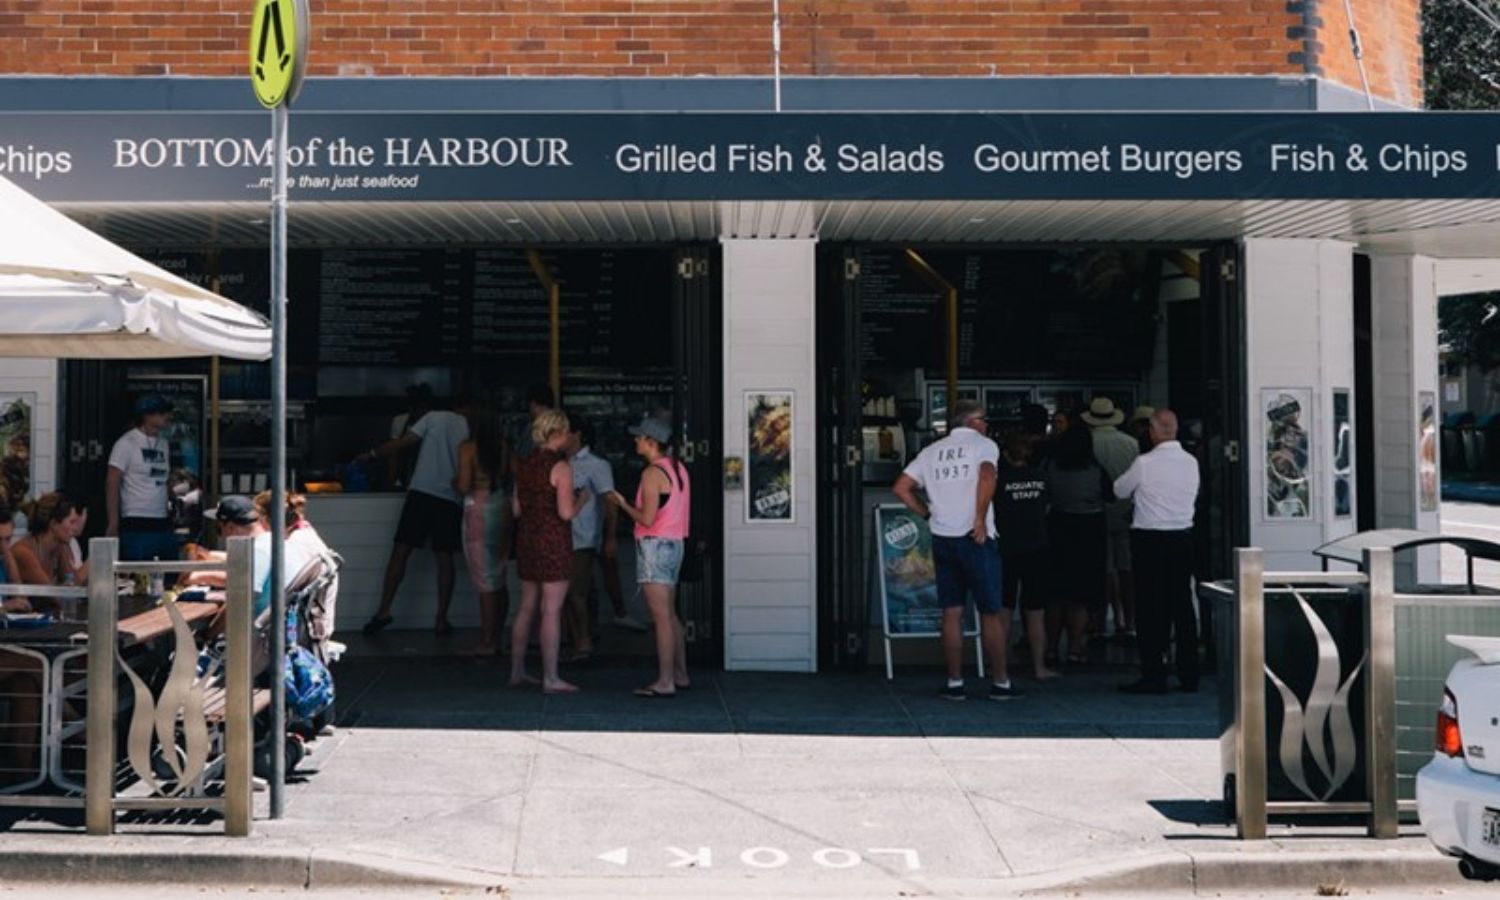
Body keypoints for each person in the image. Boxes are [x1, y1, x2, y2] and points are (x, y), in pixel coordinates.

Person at [892, 400, 1017, 701]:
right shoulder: (983, 445)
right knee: (990, 611)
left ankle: (954, 683)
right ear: (972, 422)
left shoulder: (931, 451)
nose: (987, 424)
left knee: (951, 611)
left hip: (942, 536)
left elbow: (901, 488)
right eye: (984, 419)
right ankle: (1000, 682)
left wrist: (926, 514)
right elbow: (988, 477)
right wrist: (979, 518)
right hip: (975, 537)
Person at [361, 397, 472, 636]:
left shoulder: (431, 418)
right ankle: (441, 619)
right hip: (451, 498)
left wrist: (371, 454)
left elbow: (402, 443)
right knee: (445, 559)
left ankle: (383, 611)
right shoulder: (466, 423)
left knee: (401, 552)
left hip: (422, 491)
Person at [1114, 409, 1202, 694]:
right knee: (1182, 604)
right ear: (1175, 430)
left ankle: (1154, 672)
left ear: (1152, 432)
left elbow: (1119, 490)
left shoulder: (1144, 462)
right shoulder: (1191, 462)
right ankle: (1189, 673)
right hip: (1182, 537)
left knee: (1151, 607)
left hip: (1149, 539)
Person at [607, 415, 693, 698]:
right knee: (671, 615)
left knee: (661, 618)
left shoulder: (652, 474)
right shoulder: (678, 469)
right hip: (675, 544)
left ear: (651, 441)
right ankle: (680, 674)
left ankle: (665, 680)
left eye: (639, 436)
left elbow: (646, 518)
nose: (635, 440)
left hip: (655, 547)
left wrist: (621, 503)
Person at [509, 409, 587, 694]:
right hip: (553, 541)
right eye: (566, 431)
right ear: (557, 433)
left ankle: (517, 671)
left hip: (527, 539)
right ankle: (551, 677)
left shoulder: (524, 464)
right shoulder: (561, 467)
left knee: (527, 606)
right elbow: (565, 513)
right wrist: (583, 500)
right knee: (551, 610)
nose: (568, 436)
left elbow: (516, 509)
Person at [1042, 422, 1110, 667]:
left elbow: (1044, 495)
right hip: (1089, 530)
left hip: (1058, 528)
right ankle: (1075, 647)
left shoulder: (1051, 466)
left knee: (1055, 593)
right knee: (1081, 594)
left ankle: (1050, 647)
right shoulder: (1095, 468)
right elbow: (1111, 494)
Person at [995, 431, 1058, 681]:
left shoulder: (1000, 480)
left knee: (1004, 610)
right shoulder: (1040, 478)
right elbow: (1049, 507)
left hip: (1007, 548)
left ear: (1005, 454)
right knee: (1035, 612)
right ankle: (1039, 667)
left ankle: (999, 667)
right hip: (1037, 548)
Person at [454, 398, 513, 657]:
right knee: (498, 575)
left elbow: (464, 485)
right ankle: (497, 636)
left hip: (477, 508)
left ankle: (486, 641)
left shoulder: (467, 448)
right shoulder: (503, 447)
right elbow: (517, 475)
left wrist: (454, 481)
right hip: (500, 505)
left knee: (484, 578)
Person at [254, 490, 340, 661]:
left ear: (265, 519)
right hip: (311, 624)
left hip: (302, 632)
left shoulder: (297, 543)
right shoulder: (303, 534)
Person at [1083, 397, 1140, 641]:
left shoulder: (1089, 444)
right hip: (1127, 514)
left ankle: (1101, 622)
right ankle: (1129, 622)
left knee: (1103, 570)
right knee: (1127, 569)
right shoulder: (1131, 444)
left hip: (1096, 514)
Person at [563, 418, 616, 662]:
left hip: (583, 536)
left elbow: (610, 502)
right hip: (561, 535)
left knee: (577, 592)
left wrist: (610, 537)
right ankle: (577, 637)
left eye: (565, 431)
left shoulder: (597, 465)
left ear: (578, 434)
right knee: (570, 591)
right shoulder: (560, 463)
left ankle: (583, 641)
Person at [106, 393, 177, 562]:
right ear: (146, 415)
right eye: (161, 412)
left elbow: (162, 478)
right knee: (138, 575)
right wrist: (113, 522)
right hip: (135, 518)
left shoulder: (163, 444)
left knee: (168, 571)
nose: (167, 417)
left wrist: (172, 498)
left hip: (162, 519)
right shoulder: (126, 443)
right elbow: (112, 482)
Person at [13, 493, 82, 586]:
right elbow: (48, 594)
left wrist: (64, 556)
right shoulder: (23, 552)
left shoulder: (58, 549)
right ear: (53, 524)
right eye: (71, 522)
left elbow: (76, 586)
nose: (75, 529)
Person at [387, 383, 433, 490]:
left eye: (422, 408)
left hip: (429, 479)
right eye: (414, 408)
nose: (418, 412)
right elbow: (394, 455)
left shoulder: (435, 423)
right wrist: (390, 485)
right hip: (404, 477)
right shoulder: (400, 421)